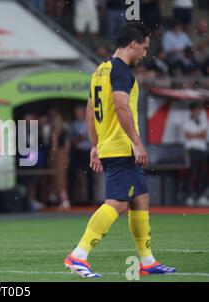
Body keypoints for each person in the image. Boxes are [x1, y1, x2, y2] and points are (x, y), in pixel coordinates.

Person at [64, 22, 176, 278]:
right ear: (133, 44)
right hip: (121, 147)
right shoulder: (122, 72)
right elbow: (121, 106)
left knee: (141, 198)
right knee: (117, 203)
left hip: (109, 145)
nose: (145, 53)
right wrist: (137, 142)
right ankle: (78, 255)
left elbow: (90, 111)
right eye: (145, 47)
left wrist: (94, 145)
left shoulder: (100, 70)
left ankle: (147, 261)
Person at [183, 102, 208, 207]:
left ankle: (200, 196)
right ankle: (190, 196)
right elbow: (188, 136)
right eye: (196, 110)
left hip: (202, 150)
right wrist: (199, 134)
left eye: (199, 110)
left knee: (202, 174)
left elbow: (205, 135)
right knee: (192, 173)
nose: (198, 112)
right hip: (192, 151)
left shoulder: (204, 122)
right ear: (192, 111)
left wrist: (195, 134)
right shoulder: (187, 122)